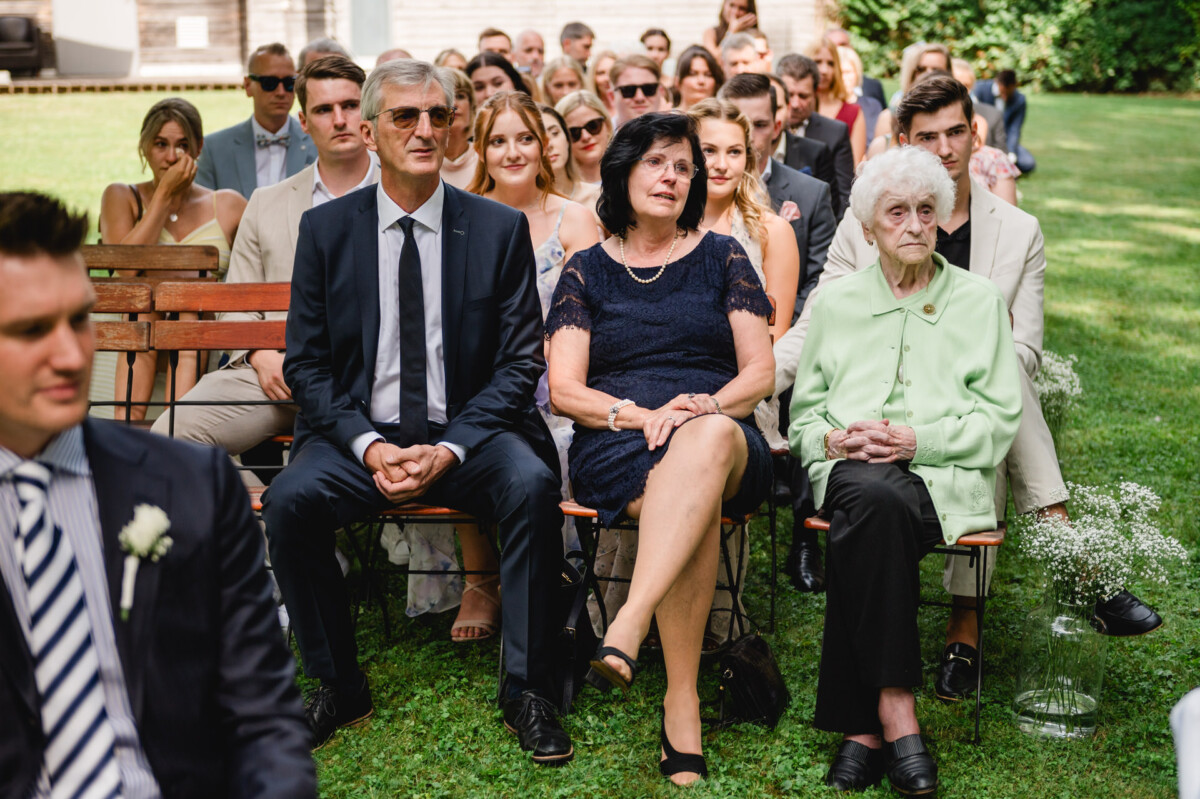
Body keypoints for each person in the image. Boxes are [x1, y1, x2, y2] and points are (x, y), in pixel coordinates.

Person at [775, 74, 1162, 698]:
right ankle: (1064, 550)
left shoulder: (1017, 229)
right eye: (927, 137)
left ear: (974, 133)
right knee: (991, 407)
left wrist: (960, 373)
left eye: (957, 131)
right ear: (904, 141)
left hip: (973, 389)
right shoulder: (865, 220)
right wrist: (752, 382)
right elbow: (821, 321)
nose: (946, 147)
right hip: (882, 406)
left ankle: (965, 622)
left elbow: (1025, 348)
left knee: (1004, 381)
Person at [261, 59, 573, 762]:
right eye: (406, 116)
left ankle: (527, 687)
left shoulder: (495, 229)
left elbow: (522, 362)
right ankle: (338, 684)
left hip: (468, 434)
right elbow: (305, 364)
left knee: (529, 484)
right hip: (356, 438)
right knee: (289, 500)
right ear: (370, 131)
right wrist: (368, 445)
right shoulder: (327, 230)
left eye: (438, 114)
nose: (426, 128)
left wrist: (450, 447)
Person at [0, 190, 316, 798]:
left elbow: (263, 716)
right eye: (31, 330)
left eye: (77, 319)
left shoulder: (189, 484)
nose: (71, 355)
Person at [545, 111, 774, 785]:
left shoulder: (722, 255)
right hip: (621, 440)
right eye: (656, 162)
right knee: (689, 492)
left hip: (722, 431)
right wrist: (638, 413)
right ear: (623, 172)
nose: (672, 176)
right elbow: (564, 387)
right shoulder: (585, 270)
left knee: (702, 444)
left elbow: (758, 371)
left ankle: (629, 622)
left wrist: (707, 406)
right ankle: (682, 700)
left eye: (683, 165)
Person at [788, 145, 1023, 795]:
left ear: (944, 217)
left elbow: (998, 422)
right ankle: (896, 708)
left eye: (927, 209)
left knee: (875, 505)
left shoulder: (977, 302)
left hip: (942, 480)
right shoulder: (835, 305)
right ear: (868, 227)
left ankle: (866, 724)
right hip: (852, 473)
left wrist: (915, 439)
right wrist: (835, 439)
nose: (915, 224)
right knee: (870, 495)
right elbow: (804, 420)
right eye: (897, 212)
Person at [148, 57, 376, 484]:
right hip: (278, 378)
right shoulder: (267, 202)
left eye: (350, 106)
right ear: (303, 123)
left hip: (377, 388)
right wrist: (260, 355)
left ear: (368, 116)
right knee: (172, 438)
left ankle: (296, 525)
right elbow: (237, 301)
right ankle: (261, 535)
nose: (340, 119)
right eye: (325, 110)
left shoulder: (403, 191)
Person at [470, 90, 600, 512]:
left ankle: (557, 571)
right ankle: (478, 573)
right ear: (480, 150)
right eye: (497, 141)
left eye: (525, 139)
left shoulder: (574, 219)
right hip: (477, 380)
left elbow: (584, 315)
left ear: (543, 147)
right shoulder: (461, 219)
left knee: (559, 437)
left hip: (556, 378)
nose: (513, 152)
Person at [99, 98, 247, 422]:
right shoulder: (121, 196)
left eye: (182, 145)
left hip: (201, 332)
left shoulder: (227, 204)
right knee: (144, 306)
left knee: (187, 308)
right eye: (160, 144)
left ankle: (175, 431)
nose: (170, 156)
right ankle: (129, 428)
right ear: (145, 147)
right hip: (140, 331)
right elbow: (123, 271)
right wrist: (163, 198)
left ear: (198, 148)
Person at [718, 73, 835, 320]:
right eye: (739, 126)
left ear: (776, 128)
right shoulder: (697, 196)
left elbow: (822, 278)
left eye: (758, 125)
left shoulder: (811, 194)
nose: (748, 136)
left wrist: (781, 327)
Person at [196, 43, 316, 199]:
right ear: (247, 85)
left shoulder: (318, 144)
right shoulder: (214, 149)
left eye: (289, 83)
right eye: (269, 83)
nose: (280, 92)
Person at [776, 53, 853, 217]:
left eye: (803, 96)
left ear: (816, 93)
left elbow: (844, 197)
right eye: (790, 95)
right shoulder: (764, 129)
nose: (795, 104)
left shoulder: (835, 133)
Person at [806, 37, 867, 164]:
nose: (824, 70)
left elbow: (853, 166)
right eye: (817, 62)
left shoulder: (853, 113)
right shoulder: (797, 107)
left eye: (830, 63)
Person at [540, 101, 601, 214]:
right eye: (539, 137)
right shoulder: (523, 209)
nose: (549, 145)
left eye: (554, 133)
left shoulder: (598, 197)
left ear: (567, 139)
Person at [974, 69, 1036, 174]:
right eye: (1003, 92)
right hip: (986, 138)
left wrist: (1011, 152)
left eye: (1009, 92)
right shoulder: (980, 90)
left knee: (1028, 163)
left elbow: (1014, 129)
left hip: (1006, 141)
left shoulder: (1019, 100)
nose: (1005, 96)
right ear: (997, 83)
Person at [557, 89, 612, 187]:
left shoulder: (630, 175)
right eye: (574, 133)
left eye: (593, 126)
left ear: (607, 126)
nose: (585, 137)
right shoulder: (558, 190)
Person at [951, 57, 1006, 152]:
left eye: (966, 86)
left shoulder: (992, 115)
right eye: (955, 84)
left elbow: (1002, 155)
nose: (961, 90)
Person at [440, 68, 479, 190]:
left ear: (472, 107)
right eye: (447, 96)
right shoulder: (420, 158)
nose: (454, 104)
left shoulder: (486, 157)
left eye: (460, 96)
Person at [838, 45, 883, 141]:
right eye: (839, 73)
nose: (843, 78)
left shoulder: (872, 106)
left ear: (856, 73)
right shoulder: (827, 108)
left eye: (847, 72)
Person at [610, 54, 665, 127]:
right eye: (629, 90)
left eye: (648, 89)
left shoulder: (677, 134)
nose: (640, 97)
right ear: (612, 96)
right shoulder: (599, 135)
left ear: (661, 92)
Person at [673, 45, 725, 113]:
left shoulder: (724, 121)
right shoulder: (665, 120)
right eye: (693, 74)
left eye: (708, 75)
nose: (701, 81)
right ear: (677, 82)